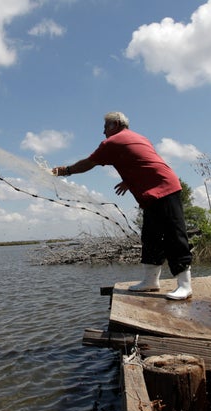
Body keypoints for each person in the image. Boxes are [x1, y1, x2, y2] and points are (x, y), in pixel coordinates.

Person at [52, 111, 193, 300]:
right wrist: (129, 180)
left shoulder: (112, 142)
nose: (103, 132)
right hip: (154, 192)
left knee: (174, 236)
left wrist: (65, 170)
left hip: (164, 188)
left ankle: (185, 286)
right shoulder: (138, 137)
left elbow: (88, 163)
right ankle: (151, 282)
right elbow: (143, 160)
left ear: (116, 124)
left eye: (105, 127)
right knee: (150, 237)